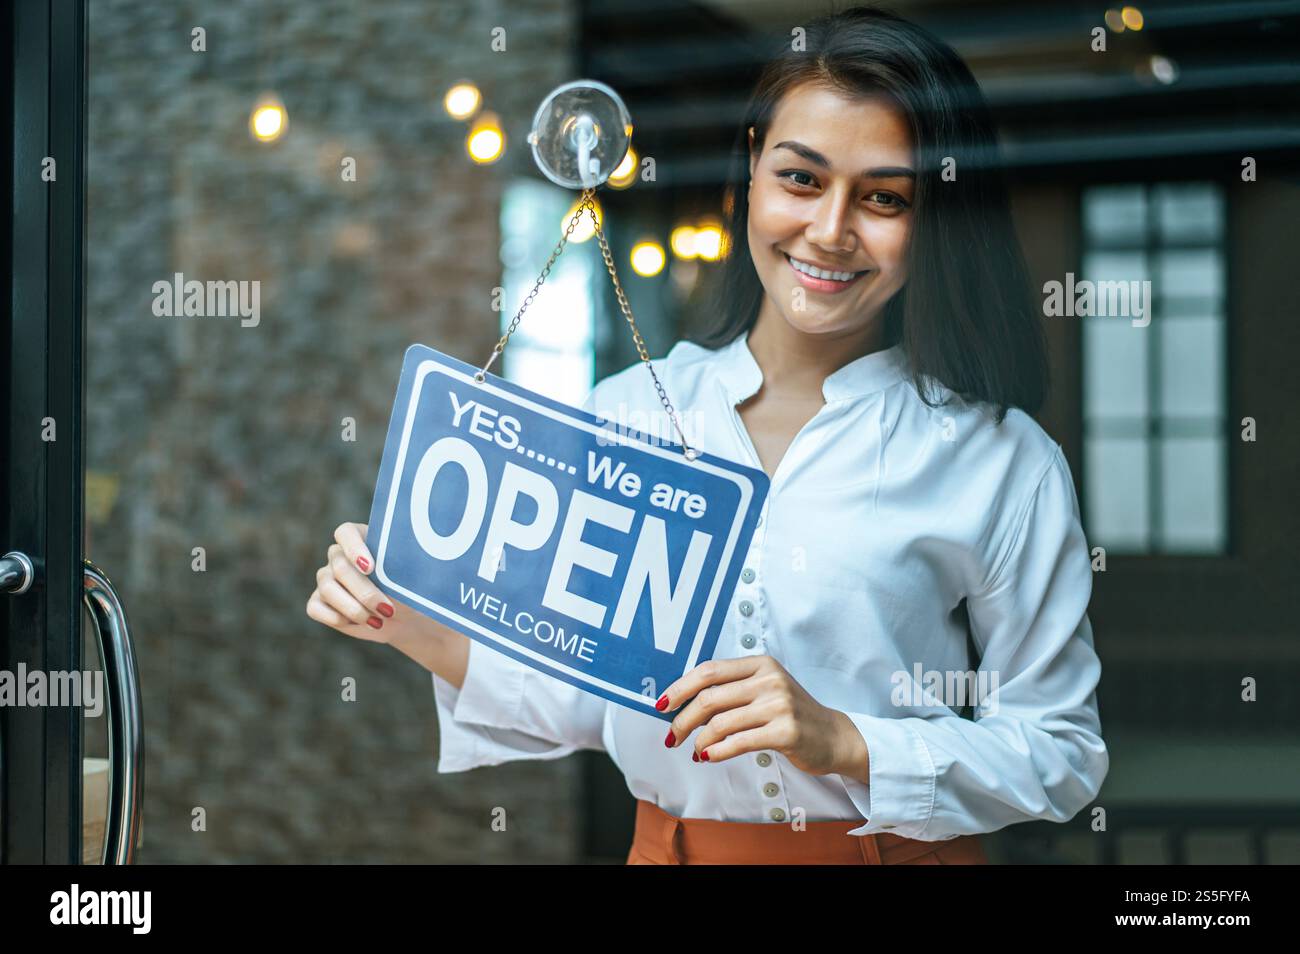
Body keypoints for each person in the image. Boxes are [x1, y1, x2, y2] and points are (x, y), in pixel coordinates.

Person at [306, 5, 1108, 865]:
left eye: (883, 198)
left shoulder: (997, 460)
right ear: (752, 173)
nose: (831, 231)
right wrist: (400, 614)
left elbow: (1062, 751)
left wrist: (845, 739)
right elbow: (587, 699)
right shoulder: (627, 413)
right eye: (802, 179)